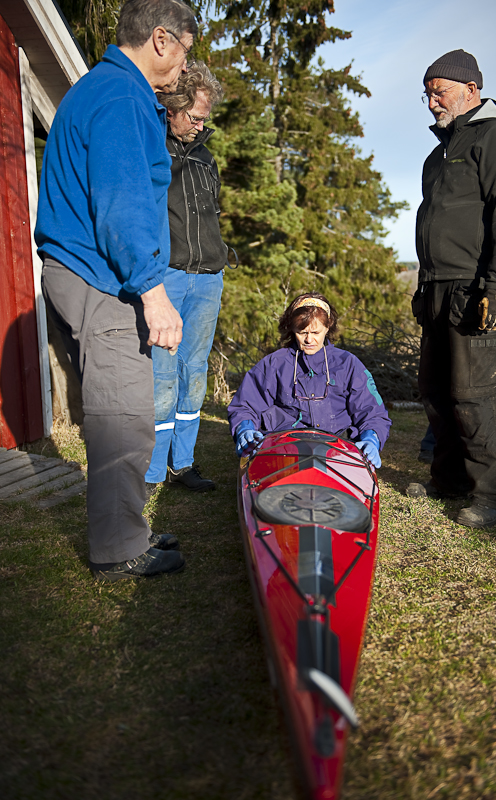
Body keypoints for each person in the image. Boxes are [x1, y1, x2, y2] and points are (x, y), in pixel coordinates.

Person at [34, 0, 198, 581]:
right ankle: (118, 548)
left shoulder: (99, 88)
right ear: (161, 40)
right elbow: (121, 204)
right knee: (123, 415)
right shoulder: (124, 97)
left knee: (117, 410)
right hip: (101, 277)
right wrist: (152, 292)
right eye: (184, 52)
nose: (184, 68)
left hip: (83, 272)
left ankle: (129, 526)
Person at [407, 50, 496, 528]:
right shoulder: (437, 154)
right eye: (429, 93)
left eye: (440, 92)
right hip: (438, 287)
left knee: (477, 394)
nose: (432, 102)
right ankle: (449, 481)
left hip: (476, 288)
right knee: (436, 391)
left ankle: (493, 495)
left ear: (470, 91)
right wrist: (423, 286)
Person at [145, 62, 226, 495]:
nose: (198, 126)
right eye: (193, 117)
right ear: (172, 107)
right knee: (162, 374)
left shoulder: (207, 158)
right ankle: (153, 470)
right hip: (168, 279)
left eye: (203, 119)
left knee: (194, 371)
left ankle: (183, 463)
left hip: (208, 279)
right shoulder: (151, 147)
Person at [227, 294, 391, 464]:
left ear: (328, 327)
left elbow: (373, 412)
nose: (309, 339)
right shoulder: (274, 364)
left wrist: (372, 437)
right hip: (282, 447)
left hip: (337, 449)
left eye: (315, 332)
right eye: (302, 332)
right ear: (292, 329)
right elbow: (244, 405)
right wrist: (244, 428)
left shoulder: (348, 364)